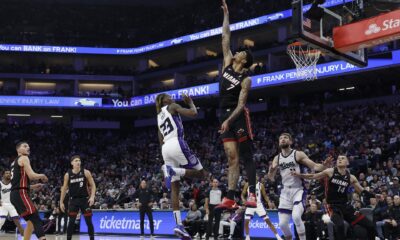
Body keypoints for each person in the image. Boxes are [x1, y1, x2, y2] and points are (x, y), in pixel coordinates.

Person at [217, 0, 256, 210]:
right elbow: (225, 37)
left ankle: (252, 193)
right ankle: (230, 196)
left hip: (237, 115)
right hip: (222, 114)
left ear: (245, 59)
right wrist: (226, 15)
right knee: (232, 157)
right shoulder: (227, 64)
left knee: (246, 154)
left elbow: (241, 105)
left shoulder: (246, 79)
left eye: (241, 52)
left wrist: (228, 120)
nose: (237, 51)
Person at [156, 93, 207, 239]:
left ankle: (179, 225)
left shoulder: (159, 116)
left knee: (175, 188)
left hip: (165, 149)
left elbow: (160, 140)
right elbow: (193, 113)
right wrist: (190, 102)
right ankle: (173, 170)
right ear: (164, 100)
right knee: (202, 174)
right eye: (168, 96)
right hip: (177, 142)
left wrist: (166, 158)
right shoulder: (172, 106)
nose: (171, 97)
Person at [293, 155, 376, 240]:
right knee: (340, 225)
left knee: (370, 225)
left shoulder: (351, 177)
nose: (340, 160)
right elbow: (313, 176)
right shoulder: (330, 171)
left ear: (347, 162)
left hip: (346, 207)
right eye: (338, 159)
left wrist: (374, 195)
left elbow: (362, 191)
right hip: (332, 206)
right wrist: (299, 175)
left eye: (342, 158)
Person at [267, 133, 332, 240]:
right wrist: (271, 171)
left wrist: (324, 166)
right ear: (279, 142)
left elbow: (315, 166)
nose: (283, 139)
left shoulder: (297, 154)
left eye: (285, 138)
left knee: (296, 216)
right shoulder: (277, 158)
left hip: (298, 190)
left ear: (290, 141)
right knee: (282, 224)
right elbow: (271, 178)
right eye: (281, 138)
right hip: (285, 192)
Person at [10, 141, 48, 240]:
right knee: (36, 219)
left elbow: (16, 183)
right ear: (18, 149)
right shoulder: (24, 158)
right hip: (20, 193)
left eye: (29, 146)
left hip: (14, 194)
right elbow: (31, 176)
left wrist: (33, 187)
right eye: (25, 146)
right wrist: (42, 175)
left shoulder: (13, 162)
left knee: (30, 222)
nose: (28, 148)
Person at [60, 155, 96, 240]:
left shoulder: (86, 172)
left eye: (79, 160)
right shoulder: (67, 174)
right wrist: (61, 202)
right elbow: (64, 189)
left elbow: (93, 185)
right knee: (71, 222)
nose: (78, 162)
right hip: (73, 200)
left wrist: (92, 197)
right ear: (72, 163)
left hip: (84, 200)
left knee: (88, 222)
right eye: (76, 161)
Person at [241, 176, 282, 240]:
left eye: (256, 176)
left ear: (257, 177)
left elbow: (265, 195)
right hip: (250, 205)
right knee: (246, 222)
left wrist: (268, 202)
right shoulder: (247, 184)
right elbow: (242, 194)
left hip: (259, 205)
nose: (255, 177)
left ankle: (278, 236)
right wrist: (243, 200)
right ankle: (247, 237)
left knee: (268, 221)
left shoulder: (261, 185)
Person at [0, 170, 25, 236]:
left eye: (9, 173)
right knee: (1, 221)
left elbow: (24, 187)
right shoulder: (0, 183)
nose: (8, 174)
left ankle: (24, 236)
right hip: (3, 204)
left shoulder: (13, 183)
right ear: (3, 175)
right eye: (6, 173)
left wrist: (34, 186)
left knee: (17, 222)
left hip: (12, 204)